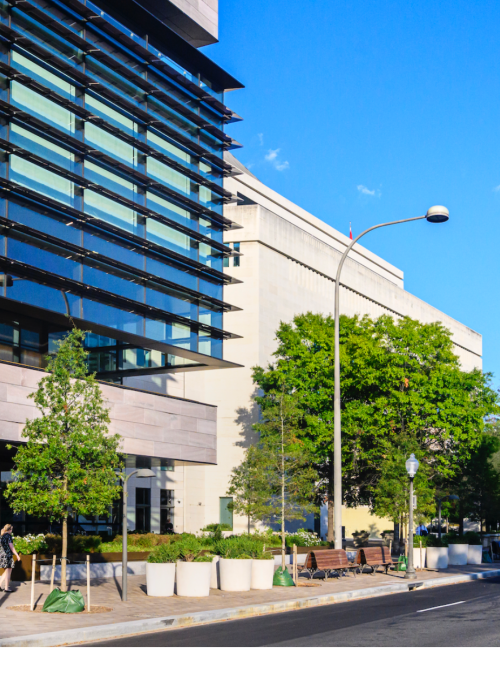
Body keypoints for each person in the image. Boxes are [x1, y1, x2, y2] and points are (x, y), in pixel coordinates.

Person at [0, 524, 21, 592]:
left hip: (2, 555)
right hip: (7, 555)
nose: (11, 531)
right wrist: (17, 555)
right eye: (11, 529)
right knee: (8, 572)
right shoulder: (8, 536)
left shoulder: (1, 536)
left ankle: (0, 585)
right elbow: (11, 547)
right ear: (9, 530)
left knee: (6, 571)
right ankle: (6, 588)